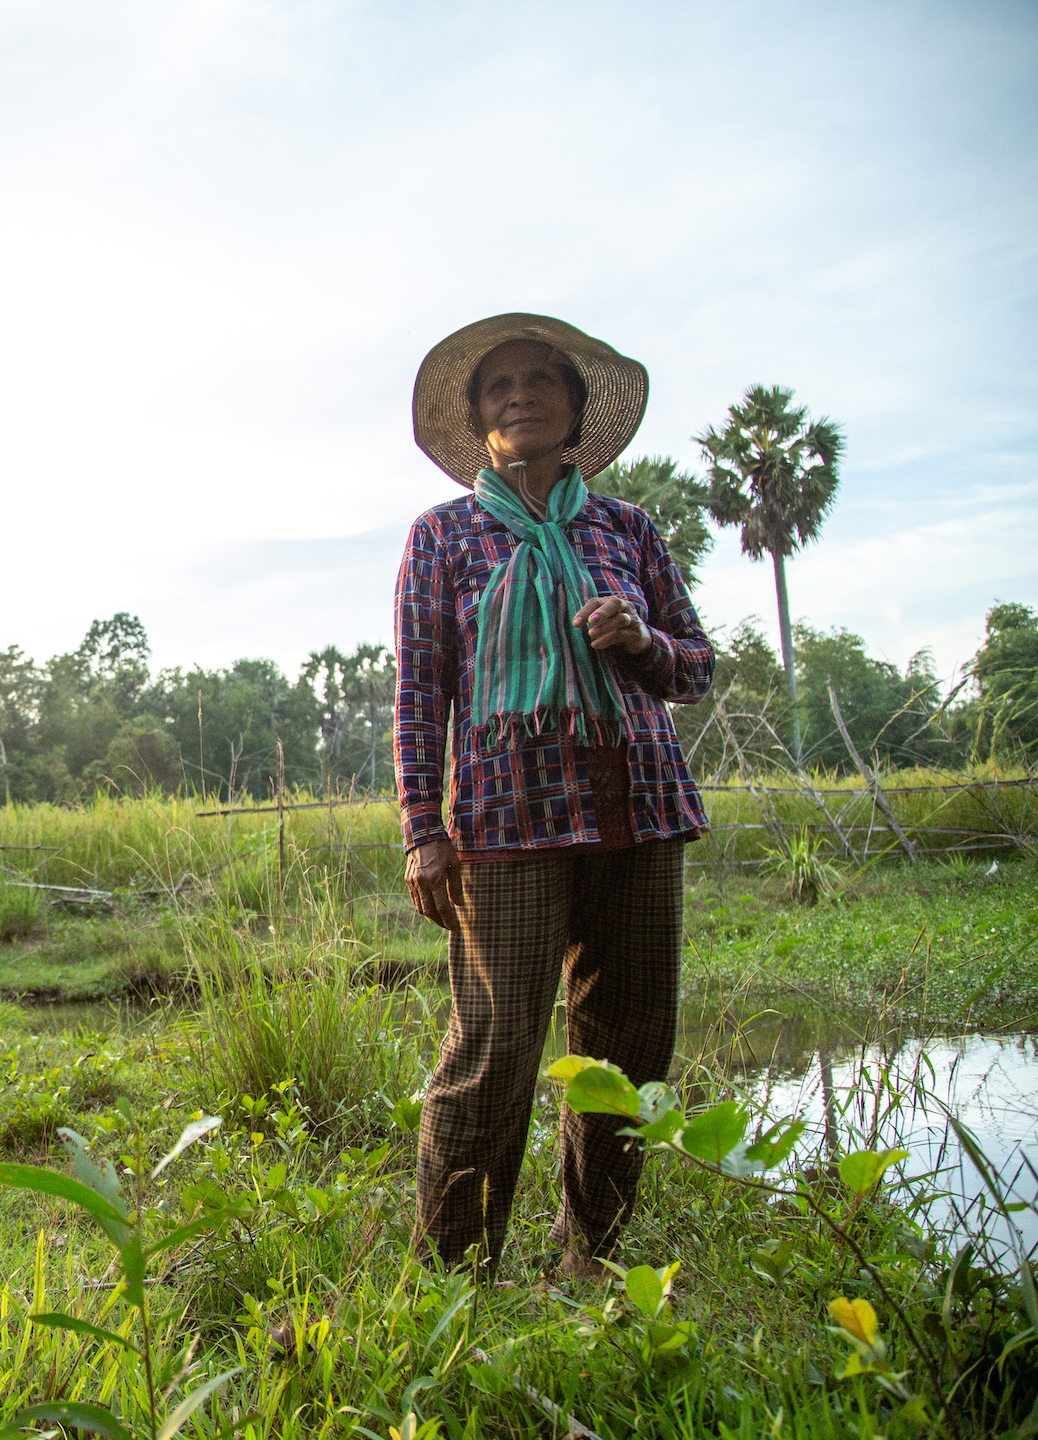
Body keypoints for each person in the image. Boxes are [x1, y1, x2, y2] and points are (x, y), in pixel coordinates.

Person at [393, 313, 713, 1279]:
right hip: (505, 827)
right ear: (480, 422)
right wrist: (423, 832)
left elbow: (694, 668)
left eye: (540, 381)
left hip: (641, 814)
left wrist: (642, 641)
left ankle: (594, 1261)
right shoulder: (442, 538)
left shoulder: (626, 529)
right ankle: (455, 1277)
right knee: (489, 1058)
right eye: (499, 387)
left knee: (624, 1056)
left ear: (575, 411)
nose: (520, 395)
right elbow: (420, 694)